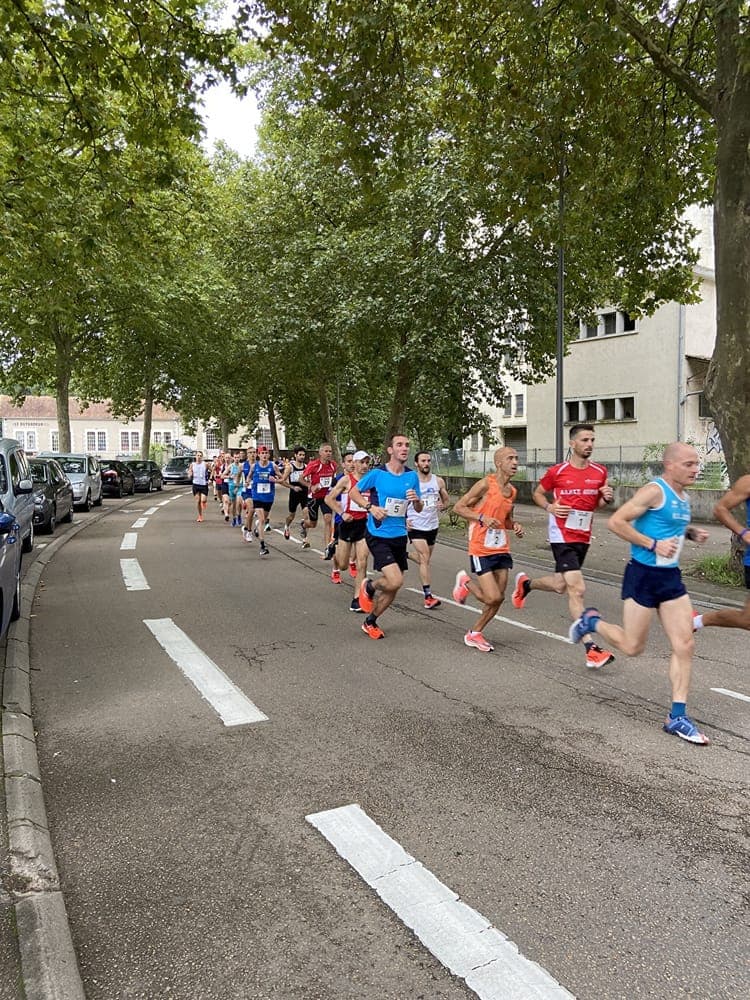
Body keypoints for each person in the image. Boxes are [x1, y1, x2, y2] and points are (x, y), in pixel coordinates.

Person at [569, 442, 711, 745]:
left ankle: (677, 716)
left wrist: (690, 533)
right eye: (688, 464)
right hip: (643, 576)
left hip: (670, 578)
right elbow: (616, 522)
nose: (695, 469)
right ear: (670, 465)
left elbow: (667, 524)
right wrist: (651, 544)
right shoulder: (654, 490)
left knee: (684, 643)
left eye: (696, 463)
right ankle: (591, 623)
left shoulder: (683, 497)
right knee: (633, 647)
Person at [511, 423, 615, 669]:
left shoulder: (600, 472)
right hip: (561, 535)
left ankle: (526, 585)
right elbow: (537, 493)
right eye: (584, 440)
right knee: (576, 589)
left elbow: (594, 505)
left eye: (592, 440)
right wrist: (550, 507)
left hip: (583, 536)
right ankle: (591, 648)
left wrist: (605, 498)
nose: (589, 444)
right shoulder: (558, 471)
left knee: (560, 585)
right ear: (572, 443)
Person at [347, 433, 423, 639]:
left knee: (392, 587)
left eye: (407, 445)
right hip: (377, 533)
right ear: (390, 450)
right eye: (399, 445)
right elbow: (354, 493)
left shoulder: (411, 476)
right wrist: (370, 507)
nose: (404, 448)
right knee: (396, 580)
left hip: (399, 535)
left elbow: (419, 506)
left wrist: (416, 500)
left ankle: (370, 621)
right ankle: (369, 586)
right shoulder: (377, 474)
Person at [451, 447, 525, 651]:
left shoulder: (513, 491)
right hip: (481, 548)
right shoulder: (485, 484)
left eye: (517, 458)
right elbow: (459, 507)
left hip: (501, 547)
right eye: (510, 458)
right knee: (492, 597)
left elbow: (506, 520)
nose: (515, 462)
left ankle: (475, 633)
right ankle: (466, 584)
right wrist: (482, 517)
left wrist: (515, 526)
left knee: (498, 599)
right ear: (498, 463)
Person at [693, 473, 750, 632]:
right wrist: (743, 532)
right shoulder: (747, 482)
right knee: (747, 620)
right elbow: (720, 509)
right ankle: (697, 621)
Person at [325, 450, 371, 608]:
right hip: (347, 524)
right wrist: (342, 513)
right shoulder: (346, 480)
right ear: (355, 464)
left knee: (362, 562)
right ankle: (334, 549)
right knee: (344, 565)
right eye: (361, 462)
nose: (364, 466)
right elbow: (328, 498)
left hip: (364, 525)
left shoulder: (371, 481)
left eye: (367, 463)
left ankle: (358, 599)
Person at [407, 451, 450, 609]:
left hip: (432, 526)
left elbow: (446, 500)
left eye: (428, 461)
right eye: (423, 461)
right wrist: (404, 520)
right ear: (416, 464)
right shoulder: (411, 481)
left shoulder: (438, 481)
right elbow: (401, 501)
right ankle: (428, 596)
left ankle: (403, 554)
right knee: (424, 558)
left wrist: (443, 505)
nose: (426, 463)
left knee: (423, 559)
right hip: (416, 525)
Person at [300, 443, 338, 550]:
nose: (328, 453)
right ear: (320, 453)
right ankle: (304, 524)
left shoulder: (333, 465)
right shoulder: (313, 465)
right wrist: (310, 486)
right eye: (326, 451)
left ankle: (327, 548)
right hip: (314, 498)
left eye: (330, 451)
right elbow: (301, 478)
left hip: (326, 497)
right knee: (313, 524)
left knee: (328, 519)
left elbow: (332, 480)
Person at [248, 446, 277, 556]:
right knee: (261, 519)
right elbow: (249, 477)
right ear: (258, 455)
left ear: (268, 455)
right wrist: (247, 482)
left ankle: (257, 529)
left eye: (266, 453)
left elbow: (282, 478)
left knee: (263, 519)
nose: (264, 455)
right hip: (257, 497)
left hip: (269, 497)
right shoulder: (254, 466)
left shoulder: (273, 466)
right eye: (262, 453)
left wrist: (276, 480)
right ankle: (262, 545)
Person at [279, 446, 308, 540]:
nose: (302, 457)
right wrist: (293, 487)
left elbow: (309, 480)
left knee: (306, 514)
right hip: (294, 494)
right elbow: (282, 481)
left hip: (304, 493)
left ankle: (304, 536)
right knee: (291, 516)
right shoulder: (290, 468)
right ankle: (287, 526)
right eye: (300, 455)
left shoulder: (306, 467)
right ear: (295, 455)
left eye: (303, 455)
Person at [188, 451, 209, 522]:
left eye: (200, 455)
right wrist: (190, 474)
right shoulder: (192, 464)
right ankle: (200, 516)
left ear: (202, 457)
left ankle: (204, 502)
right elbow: (190, 471)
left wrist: (211, 478)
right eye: (198, 455)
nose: (199, 457)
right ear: (195, 457)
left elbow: (212, 470)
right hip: (195, 484)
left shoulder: (205, 464)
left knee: (203, 500)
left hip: (203, 484)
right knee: (198, 501)